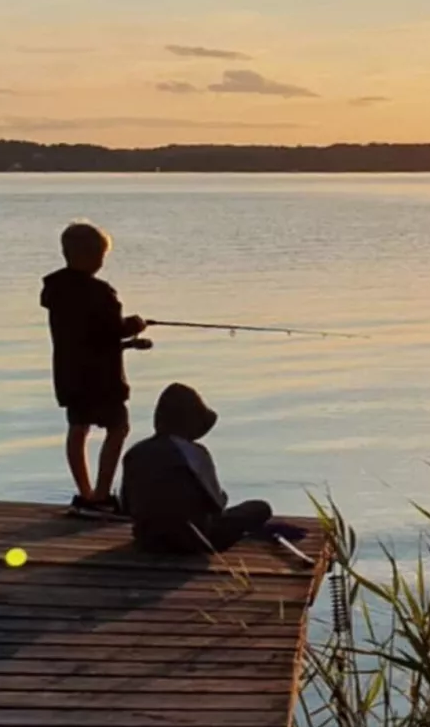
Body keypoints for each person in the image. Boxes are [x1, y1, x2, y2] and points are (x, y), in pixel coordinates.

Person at [40, 220, 149, 517]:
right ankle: (101, 495)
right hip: (102, 379)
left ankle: (85, 493)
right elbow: (112, 330)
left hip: (70, 376)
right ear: (91, 257)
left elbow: (86, 337)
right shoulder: (101, 292)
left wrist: (128, 345)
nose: (102, 263)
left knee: (78, 428)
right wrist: (134, 326)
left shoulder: (55, 291)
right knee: (119, 428)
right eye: (101, 257)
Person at [121, 382, 273, 552]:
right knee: (260, 508)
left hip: (148, 540)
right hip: (193, 541)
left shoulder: (135, 452)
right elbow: (216, 505)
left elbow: (126, 506)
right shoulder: (196, 454)